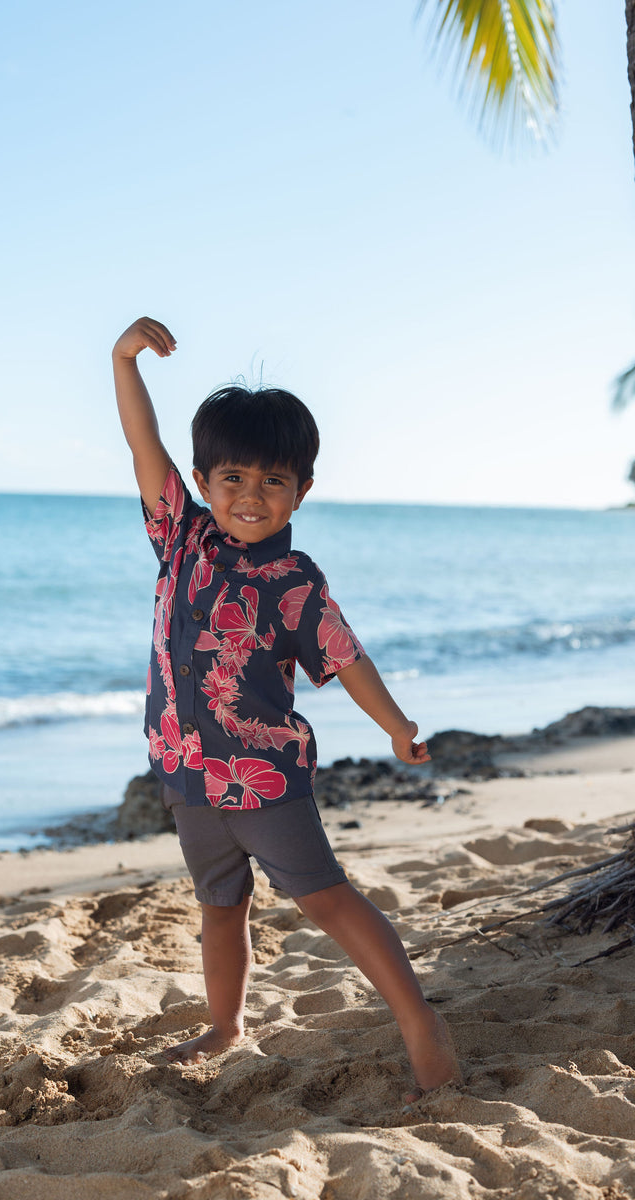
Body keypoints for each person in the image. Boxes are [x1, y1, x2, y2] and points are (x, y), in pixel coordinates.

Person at [112, 315, 460, 1106]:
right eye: (232, 478)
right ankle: (226, 1023)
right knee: (218, 905)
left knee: (327, 898)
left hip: (265, 777)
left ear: (303, 487)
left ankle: (419, 1023)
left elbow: (348, 656)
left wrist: (398, 726)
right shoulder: (180, 537)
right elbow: (143, 446)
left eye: (273, 480)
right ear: (203, 482)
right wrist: (122, 360)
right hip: (183, 768)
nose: (250, 496)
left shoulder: (294, 579)